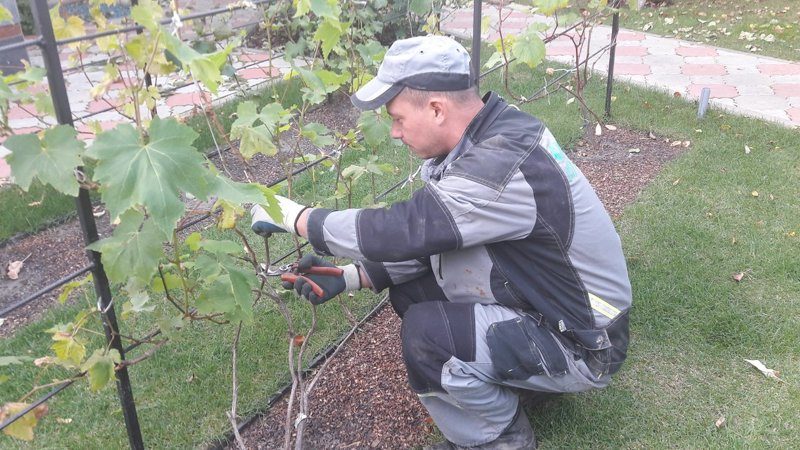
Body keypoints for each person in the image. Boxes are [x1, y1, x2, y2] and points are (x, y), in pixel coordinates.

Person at [250, 35, 632, 449]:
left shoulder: (499, 167)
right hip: (550, 300)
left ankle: (498, 439)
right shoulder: (494, 130)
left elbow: (406, 229)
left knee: (428, 335)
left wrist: (295, 217)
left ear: (436, 109)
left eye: (397, 118)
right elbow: (439, 236)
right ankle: (512, 383)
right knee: (413, 293)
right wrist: (352, 276)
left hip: (587, 342)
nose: (395, 132)